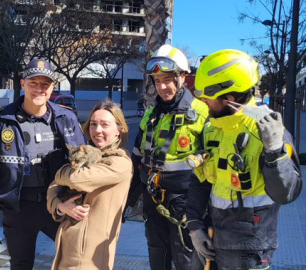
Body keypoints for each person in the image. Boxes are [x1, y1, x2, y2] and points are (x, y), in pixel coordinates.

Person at [187, 49, 303, 269]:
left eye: (207, 98)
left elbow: (287, 193)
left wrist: (275, 152)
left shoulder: (269, 132)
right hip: (211, 240)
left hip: (250, 251)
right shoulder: (212, 128)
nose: (202, 102)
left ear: (229, 99)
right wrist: (194, 226)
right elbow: (200, 181)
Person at [0, 58, 86, 269]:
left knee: (76, 262)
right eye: (33, 83)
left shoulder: (66, 118)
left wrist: (78, 203)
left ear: (53, 87)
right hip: (19, 210)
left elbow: (84, 167)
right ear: (22, 84)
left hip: (59, 206)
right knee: (20, 265)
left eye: (45, 84)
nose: (39, 89)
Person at [126, 44, 209, 270]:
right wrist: (127, 202)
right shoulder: (150, 117)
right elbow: (136, 162)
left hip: (187, 206)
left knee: (186, 260)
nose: (162, 86)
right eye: (157, 80)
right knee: (157, 255)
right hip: (153, 202)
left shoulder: (202, 115)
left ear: (182, 77)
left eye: (168, 79)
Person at [46, 99, 133, 269]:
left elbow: (76, 179)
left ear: (119, 131)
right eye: (93, 124)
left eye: (104, 125)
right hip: (67, 248)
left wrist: (60, 172)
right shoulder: (86, 153)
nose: (97, 130)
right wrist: (61, 206)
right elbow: (52, 188)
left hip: (88, 257)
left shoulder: (119, 162)